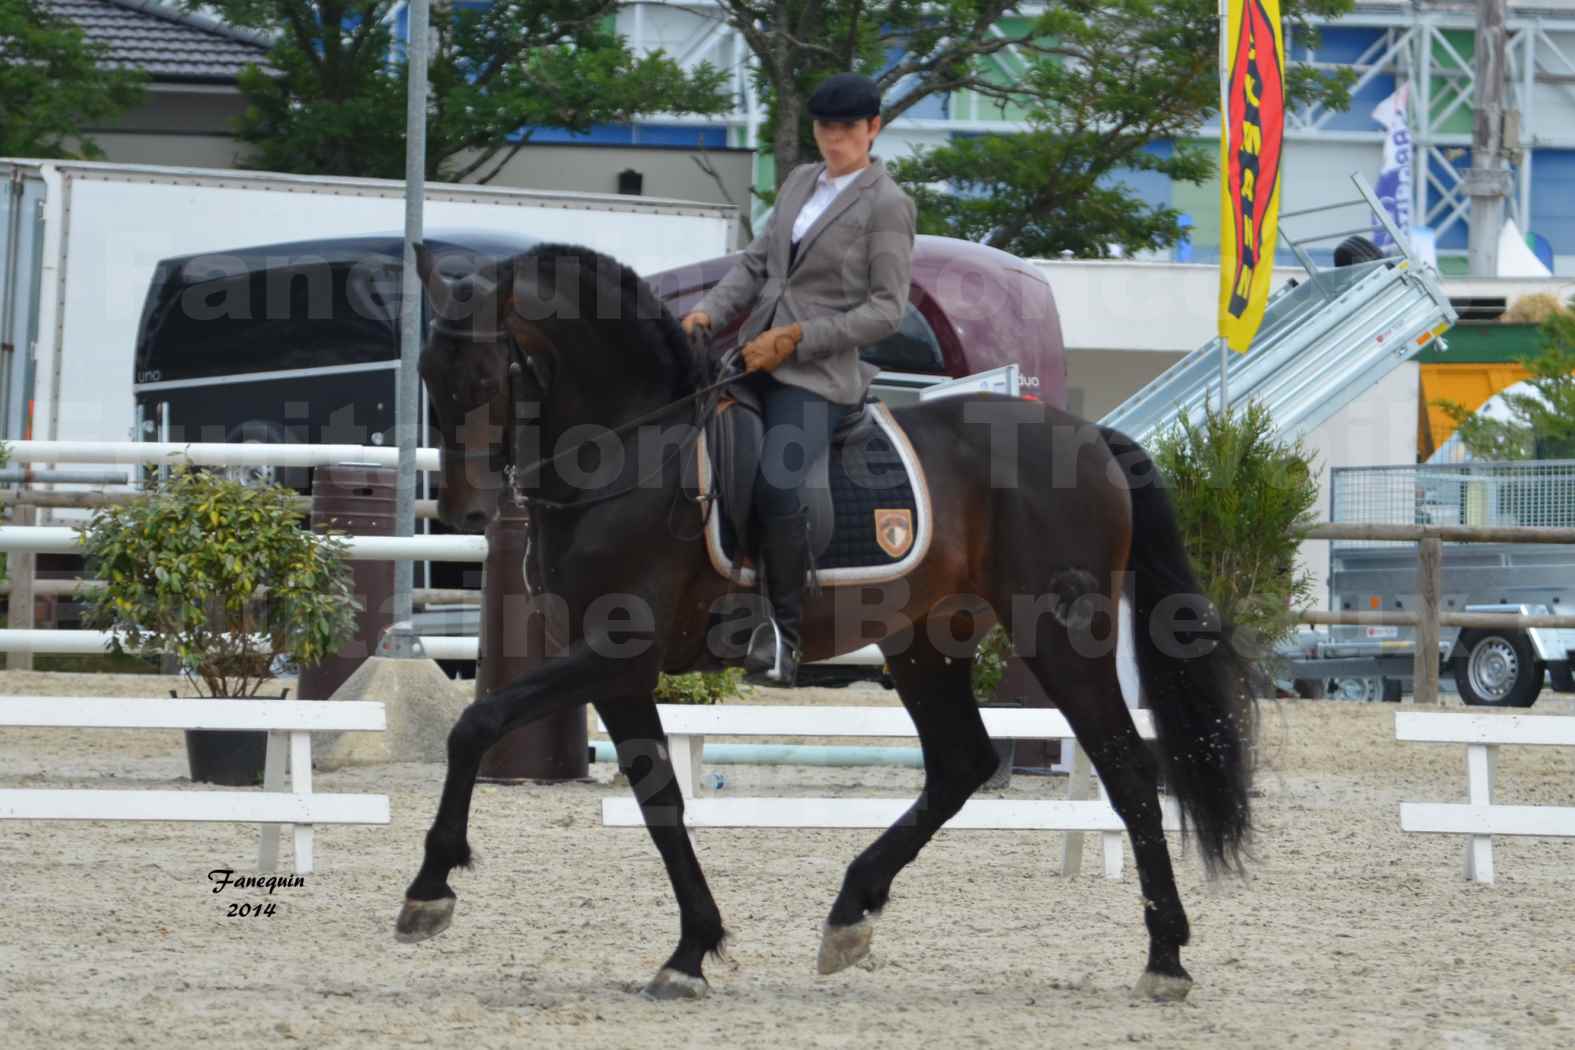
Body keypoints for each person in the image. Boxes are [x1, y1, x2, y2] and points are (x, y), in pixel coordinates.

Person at [681, 72, 917, 687]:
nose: (832, 139)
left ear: (873, 129)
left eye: (844, 129)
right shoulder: (797, 182)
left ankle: (784, 636)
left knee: (778, 484)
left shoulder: (887, 204)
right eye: (823, 127)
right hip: (750, 355)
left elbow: (886, 309)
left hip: (818, 379)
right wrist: (710, 310)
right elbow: (758, 263)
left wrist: (796, 339)